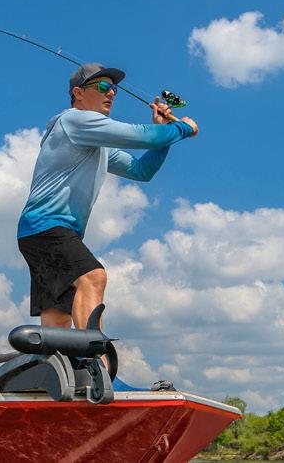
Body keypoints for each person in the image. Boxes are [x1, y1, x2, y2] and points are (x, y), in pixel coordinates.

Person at [16, 62, 198, 341]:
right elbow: (142, 137)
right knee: (93, 277)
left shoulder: (96, 144)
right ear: (78, 93)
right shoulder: (74, 121)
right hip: (47, 227)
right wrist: (182, 129)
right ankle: (95, 362)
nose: (111, 93)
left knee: (57, 318)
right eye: (102, 86)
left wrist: (163, 136)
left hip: (39, 233)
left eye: (114, 88)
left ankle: (55, 375)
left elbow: (142, 171)